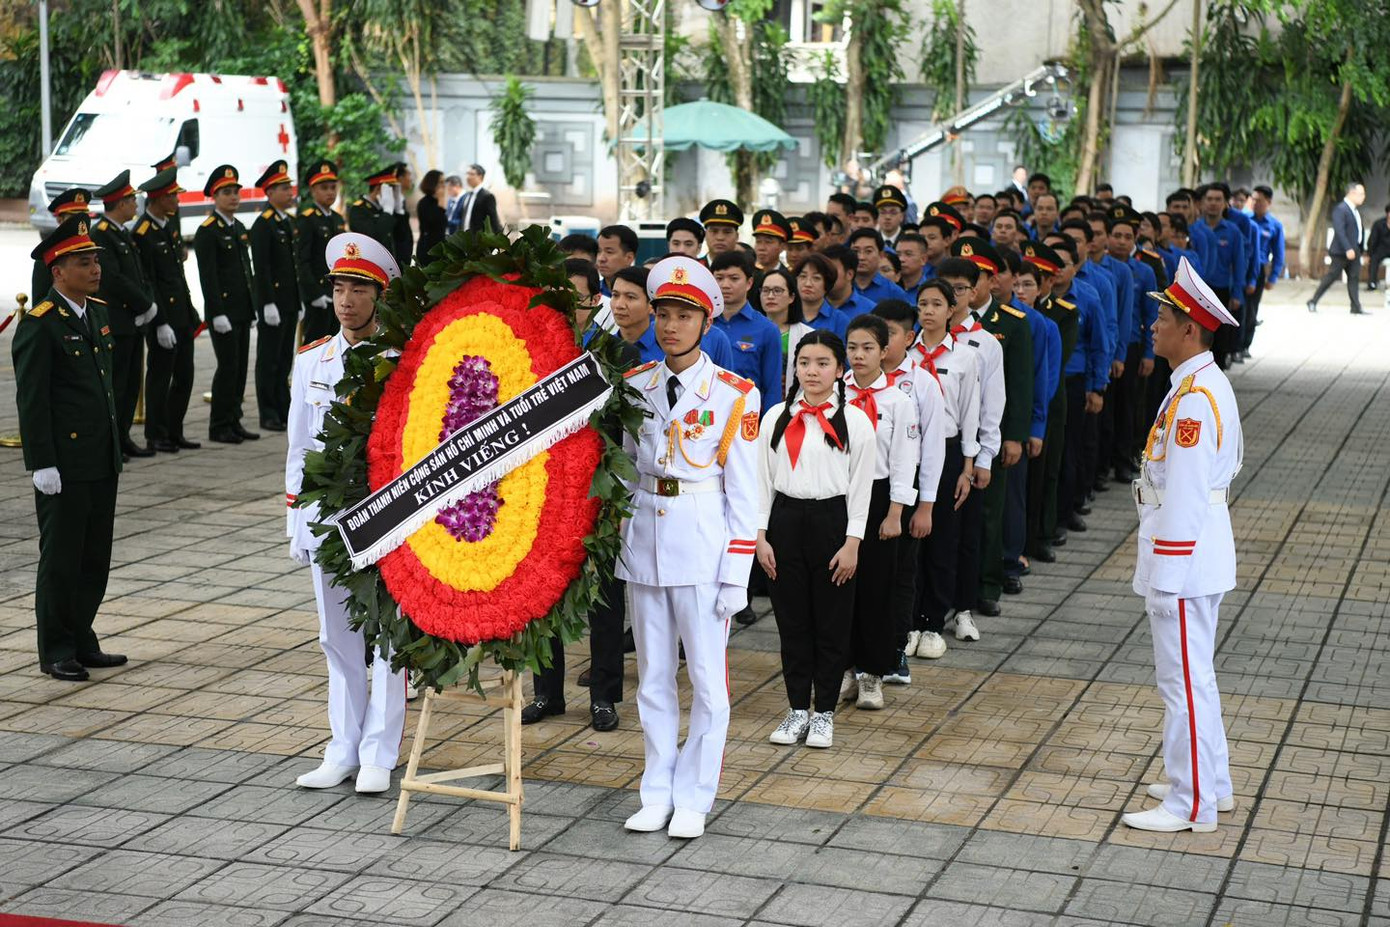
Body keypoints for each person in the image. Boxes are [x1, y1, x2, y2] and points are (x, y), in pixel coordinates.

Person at [618, 255, 760, 840]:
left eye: (684, 315)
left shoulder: (733, 394)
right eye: (664, 315)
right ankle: (656, 791)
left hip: (703, 547)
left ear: (706, 322)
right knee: (652, 677)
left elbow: (745, 492)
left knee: (706, 680)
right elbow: (628, 469)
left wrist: (737, 573)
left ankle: (695, 796)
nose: (671, 326)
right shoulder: (637, 385)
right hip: (645, 544)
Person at [1122, 256, 1242, 834]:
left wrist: (1164, 577)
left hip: (1186, 560)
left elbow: (1188, 493)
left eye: (1163, 318)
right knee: (1195, 679)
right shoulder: (1197, 385)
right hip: (1196, 552)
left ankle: (1190, 802)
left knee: (1183, 684)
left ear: (1189, 328)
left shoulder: (1194, 397)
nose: (1153, 327)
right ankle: (1210, 783)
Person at [287, 232, 408, 795]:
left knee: (387, 636)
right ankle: (342, 746)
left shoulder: (401, 361)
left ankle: (380, 751)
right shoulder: (312, 359)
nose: (346, 300)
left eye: (358, 289)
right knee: (335, 636)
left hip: (384, 513)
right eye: (339, 288)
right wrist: (296, 517)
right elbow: (299, 446)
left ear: (379, 296)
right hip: (327, 516)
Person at [14, 216, 126, 682]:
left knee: (94, 557)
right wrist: (41, 462)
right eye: (84, 262)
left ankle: (82, 637)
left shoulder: (96, 312)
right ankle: (56, 648)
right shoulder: (40, 325)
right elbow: (32, 400)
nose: (95, 269)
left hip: (100, 456)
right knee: (61, 558)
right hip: (64, 462)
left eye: (95, 260)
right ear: (58, 271)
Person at [758, 330, 874, 749]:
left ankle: (824, 712)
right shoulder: (775, 417)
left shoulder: (855, 421)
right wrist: (761, 537)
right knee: (792, 623)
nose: (812, 371)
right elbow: (761, 481)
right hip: (785, 521)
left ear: (839, 370)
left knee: (831, 622)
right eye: (804, 362)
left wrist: (852, 542)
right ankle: (796, 710)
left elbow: (861, 488)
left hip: (832, 522)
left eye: (823, 363)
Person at [839, 315, 920, 711]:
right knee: (839, 588)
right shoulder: (835, 394)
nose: (859, 355)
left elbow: (905, 459)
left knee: (876, 589)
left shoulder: (898, 401)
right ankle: (843, 668)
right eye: (852, 347)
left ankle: (872, 673)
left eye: (868, 348)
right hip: (838, 495)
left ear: (884, 351)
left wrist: (895, 512)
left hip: (878, 497)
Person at [951, 239, 1032, 625]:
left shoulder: (1011, 323)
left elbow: (1018, 385)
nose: (964, 287)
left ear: (989, 281)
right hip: (952, 436)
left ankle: (987, 585)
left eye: (977, 276)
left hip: (991, 433)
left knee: (989, 512)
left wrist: (1014, 435)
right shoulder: (935, 324)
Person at [907, 280, 982, 661]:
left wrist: (967, 467)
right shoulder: (906, 354)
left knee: (943, 539)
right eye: (923, 304)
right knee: (910, 540)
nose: (929, 311)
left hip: (949, 451)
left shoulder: (966, 356)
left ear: (952, 310)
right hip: (910, 451)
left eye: (937, 304)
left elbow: (970, 414)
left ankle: (933, 623)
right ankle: (909, 622)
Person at [872, 299, 946, 684]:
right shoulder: (850, 380)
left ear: (909, 337)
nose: (882, 342)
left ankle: (896, 649)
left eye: (890, 334)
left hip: (902, 490)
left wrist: (926, 506)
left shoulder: (922, 382)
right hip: (858, 490)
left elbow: (932, 448)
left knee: (900, 574)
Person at [90, 171, 158, 461]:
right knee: (116, 385)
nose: (135, 204)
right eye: (131, 200)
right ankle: (111, 442)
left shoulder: (121, 233)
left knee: (131, 385)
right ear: (119, 203)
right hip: (116, 321)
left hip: (132, 320)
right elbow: (114, 279)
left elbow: (138, 274)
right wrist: (143, 304)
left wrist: (146, 304)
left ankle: (124, 435)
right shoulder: (102, 234)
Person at [134, 167, 200, 454]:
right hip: (163, 317)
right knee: (160, 377)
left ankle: (175, 430)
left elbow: (177, 275)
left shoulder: (168, 226)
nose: (177, 200)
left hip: (181, 314)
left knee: (185, 376)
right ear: (159, 198)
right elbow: (148, 281)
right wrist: (160, 321)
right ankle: (156, 433)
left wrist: (190, 310)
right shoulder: (143, 232)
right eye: (173, 196)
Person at [195, 165, 259, 444]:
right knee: (228, 367)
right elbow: (208, 278)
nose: (233, 197)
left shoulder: (238, 227)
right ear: (215, 196)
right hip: (223, 312)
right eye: (227, 192)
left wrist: (253, 306)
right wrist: (216, 312)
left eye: (236, 192)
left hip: (242, 309)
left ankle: (234, 419)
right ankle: (219, 425)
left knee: (240, 368)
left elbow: (246, 270)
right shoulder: (208, 231)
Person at [250, 160, 301, 433]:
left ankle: (282, 406)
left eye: (289, 187)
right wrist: (267, 302)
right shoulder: (263, 225)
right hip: (274, 302)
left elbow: (293, 266)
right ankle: (267, 411)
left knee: (283, 359)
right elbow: (262, 268)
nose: (289, 192)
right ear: (269, 192)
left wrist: (298, 299)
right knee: (268, 359)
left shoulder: (287, 222)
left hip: (289, 301)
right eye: (283, 188)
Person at [710, 250, 782, 412]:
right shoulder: (701, 324)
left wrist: (769, 424)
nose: (725, 285)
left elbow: (772, 388)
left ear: (749, 283)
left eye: (734, 278)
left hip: (746, 415)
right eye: (719, 278)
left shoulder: (767, 329)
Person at [296, 160, 346, 343]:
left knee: (334, 343)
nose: (330, 192)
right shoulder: (307, 220)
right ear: (313, 191)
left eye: (333, 187)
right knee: (314, 344)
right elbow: (302, 261)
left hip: (336, 292)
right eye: (324, 188)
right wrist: (314, 293)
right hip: (317, 294)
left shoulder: (338, 219)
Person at [1307, 181, 1367, 316]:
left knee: (1354, 278)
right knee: (1331, 276)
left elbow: (1358, 231)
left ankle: (1355, 306)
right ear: (1352, 193)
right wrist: (1348, 248)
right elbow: (1340, 231)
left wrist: (1359, 249)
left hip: (1355, 251)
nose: (1364, 197)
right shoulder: (1341, 209)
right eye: (1361, 194)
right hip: (1341, 252)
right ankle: (1313, 301)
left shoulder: (1354, 211)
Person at [765, 266, 815, 398]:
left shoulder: (808, 335)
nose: (770, 296)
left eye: (777, 291)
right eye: (765, 290)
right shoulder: (753, 331)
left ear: (792, 297)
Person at [348, 163, 402, 253]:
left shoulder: (383, 208)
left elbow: (401, 238)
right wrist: (387, 211)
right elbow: (375, 236)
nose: (393, 195)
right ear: (378, 189)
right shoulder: (358, 210)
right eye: (390, 190)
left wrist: (399, 210)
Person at [848, 228, 909, 305]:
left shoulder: (894, 292)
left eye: (868, 251)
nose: (861, 257)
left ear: (880, 255)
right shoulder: (839, 287)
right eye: (855, 251)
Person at [446, 163, 502, 234]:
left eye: (471, 174)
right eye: (467, 174)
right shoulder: (466, 196)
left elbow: (493, 221)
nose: (468, 177)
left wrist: (499, 236)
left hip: (479, 238)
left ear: (480, 176)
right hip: (466, 238)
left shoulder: (487, 196)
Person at [415, 169, 448, 263]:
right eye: (441, 182)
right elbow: (435, 222)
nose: (444, 185)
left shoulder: (437, 201)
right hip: (428, 249)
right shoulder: (424, 203)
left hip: (440, 248)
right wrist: (441, 201)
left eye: (444, 182)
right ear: (433, 183)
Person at [597, 225, 638, 295]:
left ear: (629, 258)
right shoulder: (591, 292)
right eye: (598, 251)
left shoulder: (643, 292)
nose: (601, 258)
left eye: (609, 252)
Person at [1367, 203, 1390, 291]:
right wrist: (1369, 254)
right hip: (1381, 249)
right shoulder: (1378, 224)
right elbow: (1372, 240)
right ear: (1387, 213)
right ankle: (1372, 283)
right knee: (1374, 259)